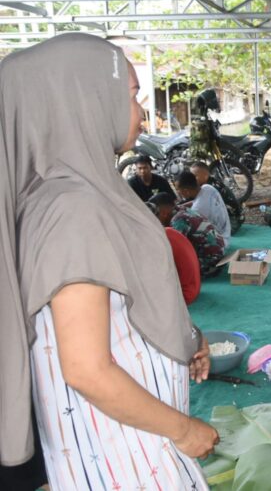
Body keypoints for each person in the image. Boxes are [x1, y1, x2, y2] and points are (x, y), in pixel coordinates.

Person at [0, 34, 217, 490]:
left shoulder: (90, 191)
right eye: (132, 95)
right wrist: (184, 429)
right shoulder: (71, 209)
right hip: (122, 456)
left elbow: (124, 303)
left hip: (134, 442)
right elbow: (85, 368)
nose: (139, 111)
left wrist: (186, 338)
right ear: (83, 100)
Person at [151, 192, 226, 278]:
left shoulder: (178, 221)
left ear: (163, 213)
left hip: (210, 262)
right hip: (218, 255)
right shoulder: (181, 210)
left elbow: (175, 252)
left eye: (155, 216)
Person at [176, 170, 231, 247]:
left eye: (178, 190)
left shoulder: (197, 210)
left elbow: (197, 206)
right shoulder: (207, 188)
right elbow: (195, 201)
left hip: (221, 244)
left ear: (186, 191)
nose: (178, 192)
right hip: (226, 233)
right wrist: (181, 207)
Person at [190, 161, 244, 234]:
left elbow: (199, 207)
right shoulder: (212, 182)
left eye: (195, 176)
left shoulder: (209, 188)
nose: (192, 179)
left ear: (206, 175)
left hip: (231, 225)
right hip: (236, 220)